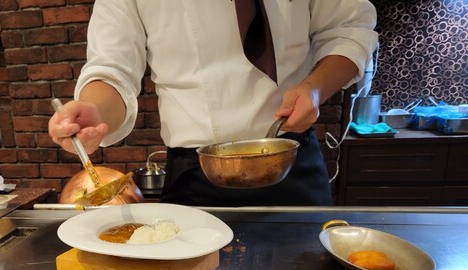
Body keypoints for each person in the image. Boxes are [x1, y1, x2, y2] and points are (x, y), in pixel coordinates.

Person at [49, 0, 378, 207]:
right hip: (195, 178)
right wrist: (95, 112)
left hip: (291, 162)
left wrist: (314, 90)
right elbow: (113, 69)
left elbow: (348, 29)